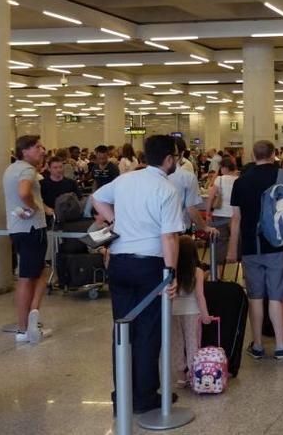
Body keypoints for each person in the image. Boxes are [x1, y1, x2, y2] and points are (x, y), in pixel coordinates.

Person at [91, 134, 183, 414]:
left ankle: (123, 394)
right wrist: (171, 274)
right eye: (177, 157)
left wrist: (114, 220)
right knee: (148, 332)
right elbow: (169, 238)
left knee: (122, 329)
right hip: (149, 266)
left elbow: (96, 199)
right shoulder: (167, 190)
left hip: (119, 262)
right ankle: (144, 397)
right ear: (169, 159)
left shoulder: (126, 179)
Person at [226, 140, 283, 360]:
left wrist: (233, 249)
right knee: (276, 297)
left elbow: (236, 219)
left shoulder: (240, 182)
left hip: (251, 246)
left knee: (255, 297)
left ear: (252, 154)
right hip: (277, 245)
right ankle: (281, 345)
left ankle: (257, 345)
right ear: (274, 154)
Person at [4, 135, 51, 343]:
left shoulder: (10, 169)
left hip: (17, 229)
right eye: (37, 147)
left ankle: (28, 322)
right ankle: (26, 326)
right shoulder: (27, 169)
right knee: (30, 276)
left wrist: (43, 207)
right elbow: (24, 193)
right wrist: (34, 208)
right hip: (32, 229)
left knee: (35, 273)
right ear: (25, 151)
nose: (42, 150)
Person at [171, 236, 212, 388]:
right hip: (193, 313)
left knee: (176, 343)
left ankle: (181, 377)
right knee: (192, 343)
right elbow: (200, 296)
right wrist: (206, 315)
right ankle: (194, 373)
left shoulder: (172, 272)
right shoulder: (197, 272)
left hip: (173, 313)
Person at [169, 141, 218, 238]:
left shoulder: (146, 177)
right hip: (180, 229)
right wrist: (205, 227)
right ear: (182, 153)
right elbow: (191, 208)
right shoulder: (187, 177)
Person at [205, 156, 239, 274]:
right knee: (238, 241)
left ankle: (220, 273)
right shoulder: (239, 179)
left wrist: (208, 212)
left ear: (224, 168)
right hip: (236, 215)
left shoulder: (219, 179)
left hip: (220, 215)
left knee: (220, 243)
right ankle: (243, 273)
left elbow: (211, 197)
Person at [40, 156, 82, 220]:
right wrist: (46, 208)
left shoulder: (71, 182)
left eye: (60, 167)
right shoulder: (42, 184)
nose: (58, 170)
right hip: (50, 217)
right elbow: (38, 200)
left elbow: (79, 198)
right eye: (55, 168)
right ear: (49, 169)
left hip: (68, 217)